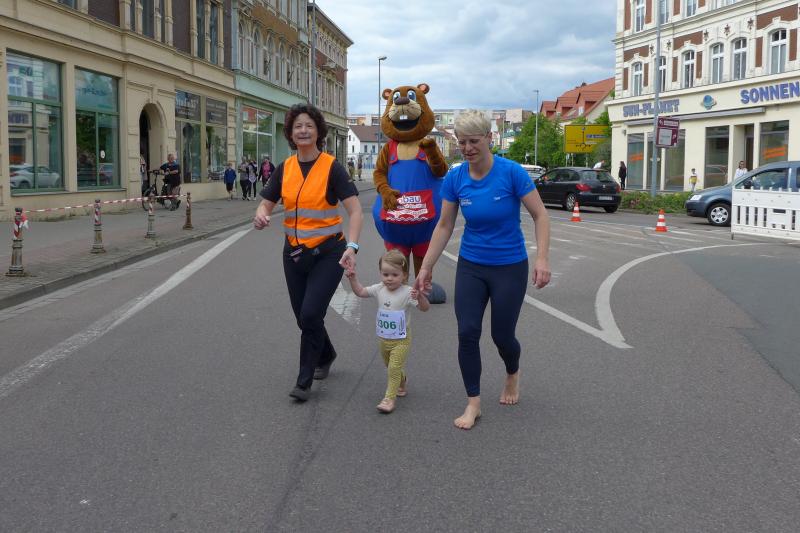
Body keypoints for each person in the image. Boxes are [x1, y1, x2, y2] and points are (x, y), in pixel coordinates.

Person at [413, 110, 551, 430]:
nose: (468, 148)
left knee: (502, 336)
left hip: (509, 266)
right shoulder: (456, 178)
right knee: (466, 332)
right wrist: (426, 267)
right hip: (472, 265)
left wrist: (542, 259)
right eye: (462, 142)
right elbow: (444, 225)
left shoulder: (511, 173)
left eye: (474, 141)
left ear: (489, 138)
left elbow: (541, 216)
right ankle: (473, 402)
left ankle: (512, 372)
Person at [253, 103, 363, 402]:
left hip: (329, 252)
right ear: (290, 133)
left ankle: (304, 381)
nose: (303, 130)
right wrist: (261, 214)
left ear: (318, 132)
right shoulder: (284, 168)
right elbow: (266, 202)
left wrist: (352, 246)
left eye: (309, 126)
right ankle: (326, 354)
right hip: (294, 254)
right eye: (297, 126)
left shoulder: (332, 167)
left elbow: (355, 211)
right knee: (303, 317)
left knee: (312, 312)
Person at [345, 250, 429, 413]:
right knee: (390, 366)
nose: (389, 278)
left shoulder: (408, 292)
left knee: (393, 368)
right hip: (384, 339)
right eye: (385, 274)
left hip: (401, 340)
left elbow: (425, 308)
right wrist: (353, 279)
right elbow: (360, 292)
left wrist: (420, 297)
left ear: (404, 275)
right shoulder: (379, 289)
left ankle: (389, 399)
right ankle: (402, 381)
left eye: (394, 275)